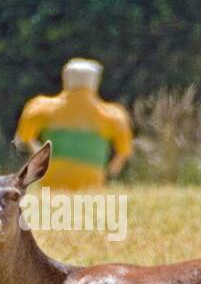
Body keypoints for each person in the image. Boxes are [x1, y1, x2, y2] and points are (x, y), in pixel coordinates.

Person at [14, 58, 133, 190]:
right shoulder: (112, 115)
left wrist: (36, 151)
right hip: (91, 184)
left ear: (66, 78)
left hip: (52, 182)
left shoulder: (41, 108)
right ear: (95, 81)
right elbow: (124, 151)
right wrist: (110, 172)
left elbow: (24, 136)